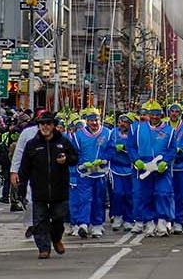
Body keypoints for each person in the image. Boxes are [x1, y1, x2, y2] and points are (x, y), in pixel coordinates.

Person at [18, 112, 79, 259]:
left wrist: (66, 159)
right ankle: (43, 248)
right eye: (42, 124)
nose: (45, 127)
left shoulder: (63, 141)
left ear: (53, 126)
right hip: (39, 189)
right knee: (39, 221)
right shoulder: (32, 145)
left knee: (58, 218)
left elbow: (75, 158)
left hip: (59, 189)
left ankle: (56, 238)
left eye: (48, 124)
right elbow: (24, 168)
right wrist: (21, 187)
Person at [129, 102, 175, 236]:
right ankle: (148, 222)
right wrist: (136, 160)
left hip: (161, 168)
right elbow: (131, 146)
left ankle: (162, 222)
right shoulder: (137, 129)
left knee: (163, 193)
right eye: (152, 114)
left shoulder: (169, 130)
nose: (155, 117)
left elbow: (172, 149)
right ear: (148, 115)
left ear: (161, 115)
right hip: (143, 167)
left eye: (157, 114)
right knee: (144, 195)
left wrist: (165, 161)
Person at [67, 108, 113, 237]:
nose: (94, 123)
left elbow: (111, 149)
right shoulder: (78, 135)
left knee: (99, 199)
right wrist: (82, 163)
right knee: (84, 199)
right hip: (84, 173)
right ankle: (83, 223)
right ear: (86, 121)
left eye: (96, 120)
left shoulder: (107, 133)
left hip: (100, 173)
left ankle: (97, 225)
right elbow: (74, 152)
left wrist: (104, 160)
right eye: (91, 120)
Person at [166, 103, 183, 234]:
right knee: (165, 193)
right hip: (166, 166)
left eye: (177, 111)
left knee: (181, 194)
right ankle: (167, 220)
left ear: (180, 113)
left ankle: (178, 221)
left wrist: (177, 149)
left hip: (182, 166)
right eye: (172, 111)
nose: (174, 113)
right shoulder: (164, 127)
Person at [108, 112, 135, 230]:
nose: (122, 124)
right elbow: (108, 146)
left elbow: (136, 148)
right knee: (118, 193)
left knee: (129, 194)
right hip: (115, 168)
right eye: (121, 122)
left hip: (130, 168)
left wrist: (125, 148)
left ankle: (128, 219)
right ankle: (117, 216)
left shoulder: (134, 134)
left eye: (125, 122)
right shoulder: (113, 133)